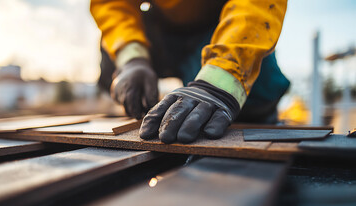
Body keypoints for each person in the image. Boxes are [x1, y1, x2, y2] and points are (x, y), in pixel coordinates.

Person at [90, 0, 290, 143]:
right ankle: (140, 101)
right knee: (112, 56)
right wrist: (132, 58)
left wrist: (220, 81)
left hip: (226, 24)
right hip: (162, 29)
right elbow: (111, 3)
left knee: (253, 94)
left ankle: (254, 113)